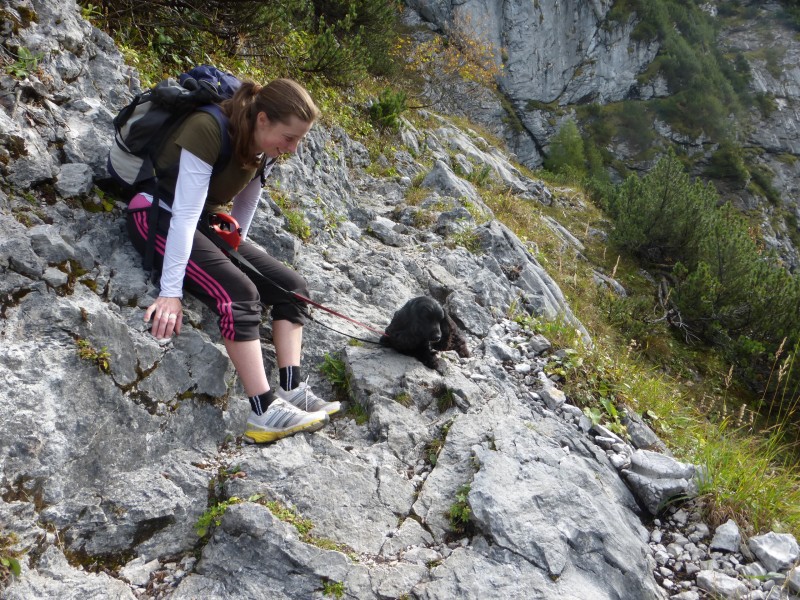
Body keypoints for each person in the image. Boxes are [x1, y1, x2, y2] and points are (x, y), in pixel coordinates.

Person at [125, 77, 340, 443]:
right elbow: (185, 212)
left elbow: (246, 202)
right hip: (157, 214)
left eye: (300, 139)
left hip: (202, 222)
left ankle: (290, 388)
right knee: (240, 293)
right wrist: (170, 292)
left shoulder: (265, 148)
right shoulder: (208, 128)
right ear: (262, 120)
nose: (294, 148)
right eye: (290, 137)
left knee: (292, 288)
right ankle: (264, 410)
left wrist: (235, 248)